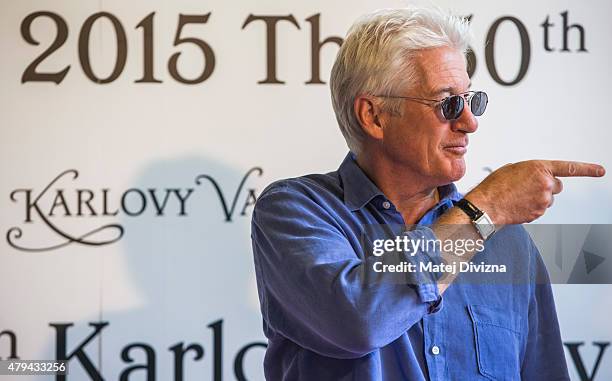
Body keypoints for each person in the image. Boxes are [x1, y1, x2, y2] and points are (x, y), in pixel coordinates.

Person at [250, 5, 605, 381]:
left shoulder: (509, 243)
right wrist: (485, 208)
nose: (469, 123)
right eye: (448, 103)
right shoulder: (297, 212)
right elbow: (358, 319)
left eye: (472, 101)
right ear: (374, 115)